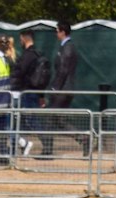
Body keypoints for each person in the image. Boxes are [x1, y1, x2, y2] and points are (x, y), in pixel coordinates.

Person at [10, 28, 46, 158]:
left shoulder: (27, 55)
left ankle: (47, 143)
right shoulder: (38, 54)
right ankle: (18, 145)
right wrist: (42, 95)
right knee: (22, 121)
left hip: (25, 92)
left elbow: (20, 74)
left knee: (31, 120)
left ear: (24, 38)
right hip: (33, 91)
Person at [44, 20, 78, 156]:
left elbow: (63, 70)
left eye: (57, 31)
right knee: (59, 121)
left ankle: (47, 150)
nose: (56, 34)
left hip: (63, 89)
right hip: (65, 88)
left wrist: (55, 88)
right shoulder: (66, 47)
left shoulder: (67, 48)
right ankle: (85, 139)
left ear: (63, 32)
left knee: (49, 119)